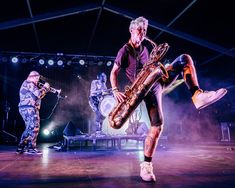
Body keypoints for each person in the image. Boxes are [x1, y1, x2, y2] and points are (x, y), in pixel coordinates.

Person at [110, 16, 227, 182]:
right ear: (131, 30)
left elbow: (151, 67)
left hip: (157, 80)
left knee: (185, 59)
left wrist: (158, 66)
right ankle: (146, 166)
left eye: (144, 31)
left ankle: (197, 95)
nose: (142, 34)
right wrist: (115, 89)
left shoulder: (145, 48)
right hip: (144, 89)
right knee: (157, 127)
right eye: (139, 30)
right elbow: (113, 72)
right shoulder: (124, 51)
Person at [16, 71, 50, 155]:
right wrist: (45, 87)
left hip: (27, 107)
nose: (37, 80)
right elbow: (38, 94)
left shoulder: (30, 84)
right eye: (36, 78)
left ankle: (21, 147)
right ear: (31, 77)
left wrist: (45, 90)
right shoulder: (29, 83)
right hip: (28, 108)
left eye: (38, 78)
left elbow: (38, 96)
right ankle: (31, 148)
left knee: (30, 127)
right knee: (34, 126)